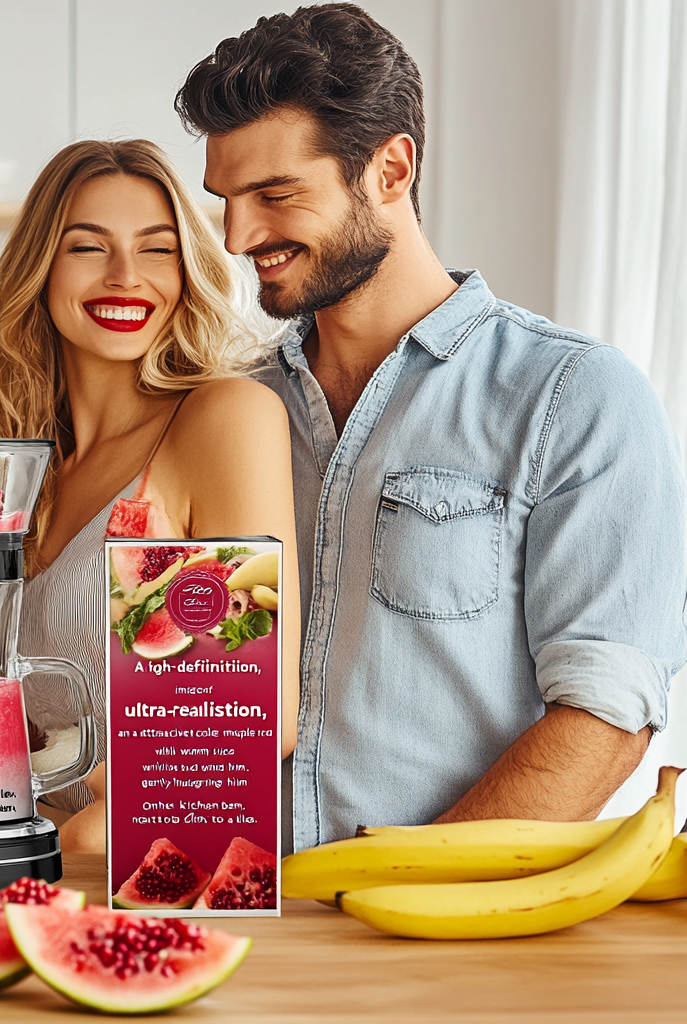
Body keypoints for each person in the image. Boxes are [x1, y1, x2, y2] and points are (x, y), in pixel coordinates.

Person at [175, 3, 687, 852]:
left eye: (274, 194)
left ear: (390, 169)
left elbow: (602, 719)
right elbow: (198, 701)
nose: (238, 236)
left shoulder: (575, 397)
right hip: (236, 915)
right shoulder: (227, 411)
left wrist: (388, 892)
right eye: (226, 200)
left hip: (444, 933)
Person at [0, 139, 300, 851]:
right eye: (88, 248)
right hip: (17, 855)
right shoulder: (14, 473)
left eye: (157, 250)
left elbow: (251, 725)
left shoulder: (223, 417)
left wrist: (75, 846)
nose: (126, 277)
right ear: (40, 267)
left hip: (159, 870)